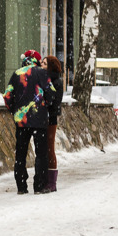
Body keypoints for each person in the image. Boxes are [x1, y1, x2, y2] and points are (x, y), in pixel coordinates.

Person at [3, 49, 56, 195]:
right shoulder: (42, 73)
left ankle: (21, 186)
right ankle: (39, 185)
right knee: (41, 154)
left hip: (21, 122)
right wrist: (45, 105)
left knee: (21, 153)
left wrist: (15, 110)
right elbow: (51, 93)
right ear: (36, 61)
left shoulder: (17, 74)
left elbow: (7, 96)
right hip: (39, 121)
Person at [42, 55, 64, 192]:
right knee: (44, 149)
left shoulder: (55, 81)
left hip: (50, 118)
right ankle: (46, 179)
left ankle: (52, 182)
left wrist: (46, 106)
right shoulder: (45, 79)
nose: (41, 65)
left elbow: (55, 102)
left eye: (44, 63)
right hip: (44, 118)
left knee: (49, 148)